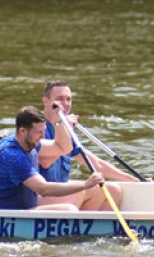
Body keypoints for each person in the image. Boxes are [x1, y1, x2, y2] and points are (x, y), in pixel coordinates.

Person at [0, 106, 105, 211]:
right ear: (23, 131)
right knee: (68, 210)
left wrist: (58, 122)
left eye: (44, 131)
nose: (43, 136)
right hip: (7, 213)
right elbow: (44, 189)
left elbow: (63, 147)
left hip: (22, 206)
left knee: (95, 191)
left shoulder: (26, 141)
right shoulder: (13, 156)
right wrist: (85, 185)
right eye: (39, 132)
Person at [37, 81, 134, 210]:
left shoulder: (66, 129)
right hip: (42, 194)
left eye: (68, 99)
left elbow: (97, 164)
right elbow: (45, 163)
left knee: (114, 190)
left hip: (60, 190)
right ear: (46, 101)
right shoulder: (37, 127)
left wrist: (131, 179)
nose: (65, 104)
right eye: (59, 100)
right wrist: (63, 127)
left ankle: (94, 229)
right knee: (80, 193)